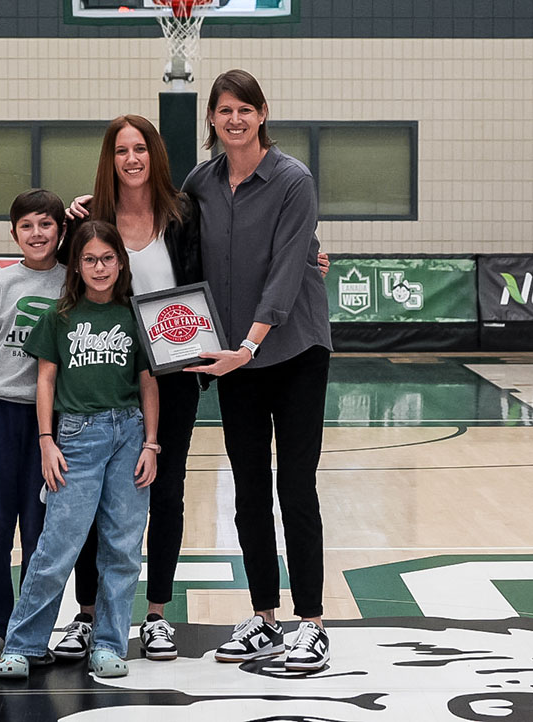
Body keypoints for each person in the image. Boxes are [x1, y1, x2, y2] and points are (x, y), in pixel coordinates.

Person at [0, 114, 330, 662]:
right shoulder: (88, 220)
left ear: (155, 156)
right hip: (97, 373)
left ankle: (156, 615)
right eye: (121, 151)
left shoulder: (186, 210)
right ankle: (87, 617)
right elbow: (47, 276)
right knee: (85, 499)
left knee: (165, 492)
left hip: (171, 371)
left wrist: (310, 259)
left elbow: (249, 245)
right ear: (109, 160)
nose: (132, 159)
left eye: (140, 149)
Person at [182, 69, 334, 671]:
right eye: (224, 110)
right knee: (247, 490)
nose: (235, 120)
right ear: (213, 120)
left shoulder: (294, 179)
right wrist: (83, 212)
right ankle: (265, 617)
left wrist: (250, 343)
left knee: (295, 487)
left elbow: (289, 267)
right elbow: (156, 230)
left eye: (245, 109)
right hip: (231, 358)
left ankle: (313, 622)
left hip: (293, 350)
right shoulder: (200, 183)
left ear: (263, 113)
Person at [0, 220, 159, 680]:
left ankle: (108, 644)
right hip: (75, 438)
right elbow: (45, 380)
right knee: (56, 548)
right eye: (89, 259)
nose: (100, 267)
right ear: (77, 266)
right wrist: (47, 441)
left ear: (120, 263)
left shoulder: (134, 315)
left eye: (108, 258)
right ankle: (23, 645)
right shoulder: (59, 315)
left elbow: (148, 384)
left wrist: (151, 443)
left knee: (123, 549)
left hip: (128, 435)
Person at [0, 189, 68, 669]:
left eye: (46, 224)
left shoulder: (75, 282)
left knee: (42, 534)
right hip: (0, 417)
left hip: (53, 421)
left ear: (61, 231)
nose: (37, 234)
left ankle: (32, 631)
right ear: (14, 233)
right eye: (27, 226)